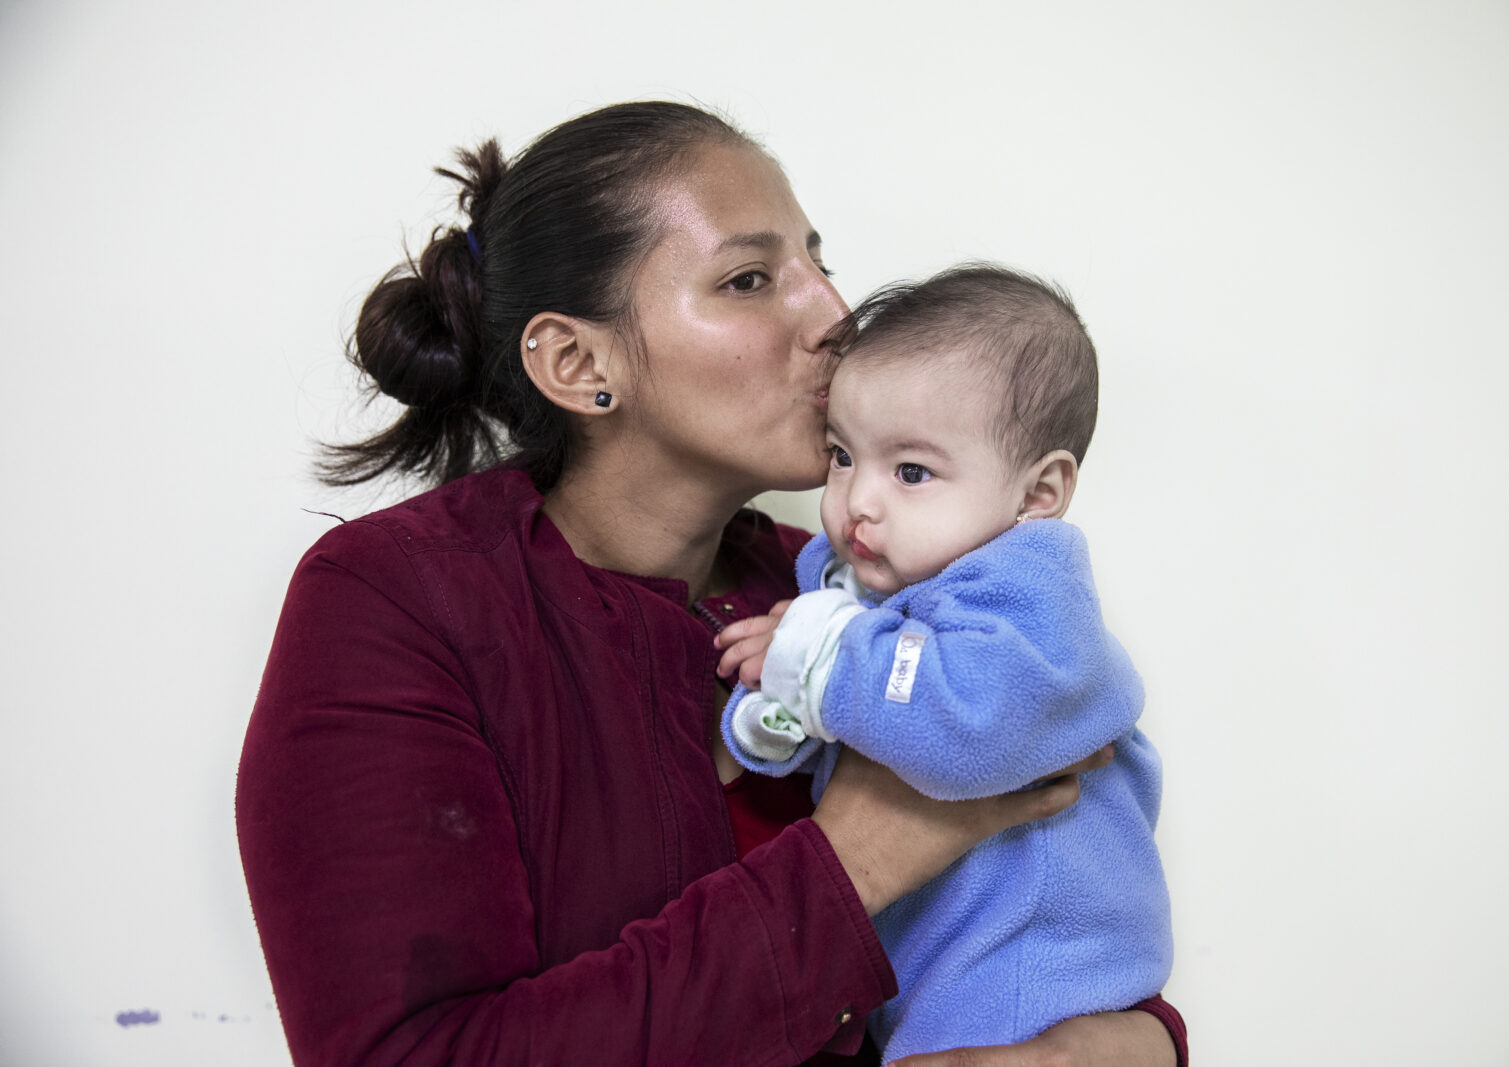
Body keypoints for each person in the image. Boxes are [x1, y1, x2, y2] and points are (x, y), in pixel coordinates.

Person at [236, 101, 1188, 1066]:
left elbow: (1047, 897)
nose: (836, 317)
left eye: (818, 260)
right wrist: (861, 855)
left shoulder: (844, 585)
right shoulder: (395, 603)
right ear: (578, 361)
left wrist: (1124, 1044)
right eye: (749, 279)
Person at [716, 266, 1171, 1061]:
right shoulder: (875, 585)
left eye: (912, 472)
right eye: (842, 455)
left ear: (1038, 494)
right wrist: (786, 703)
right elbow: (877, 725)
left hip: (1030, 971)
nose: (859, 500)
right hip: (942, 966)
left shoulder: (1032, 600)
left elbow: (968, 725)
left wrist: (827, 659)